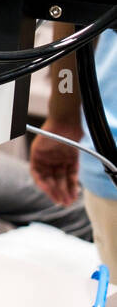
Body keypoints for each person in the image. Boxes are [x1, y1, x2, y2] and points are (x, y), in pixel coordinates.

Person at [31, 25, 117, 270]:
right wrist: (63, 117)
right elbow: (72, 9)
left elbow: (72, 10)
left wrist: (64, 116)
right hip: (108, 150)